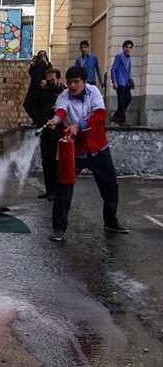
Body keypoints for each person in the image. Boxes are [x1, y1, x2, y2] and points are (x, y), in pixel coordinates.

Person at [45, 66, 129, 242]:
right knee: (64, 188)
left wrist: (78, 125)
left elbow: (100, 114)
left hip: (98, 148)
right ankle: (59, 228)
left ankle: (110, 221)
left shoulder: (94, 92)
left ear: (84, 81)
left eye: (76, 82)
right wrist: (55, 120)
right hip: (74, 149)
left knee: (110, 186)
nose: (72, 86)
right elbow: (61, 111)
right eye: (69, 82)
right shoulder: (63, 96)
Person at [37, 68, 65, 200]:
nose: (50, 83)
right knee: (46, 161)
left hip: (58, 132)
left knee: (56, 163)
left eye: (52, 80)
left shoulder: (64, 92)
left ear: (58, 79)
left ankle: (56, 192)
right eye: (48, 80)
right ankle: (49, 191)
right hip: (46, 131)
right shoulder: (43, 92)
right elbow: (37, 109)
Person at [23, 50, 51, 124]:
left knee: (39, 107)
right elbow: (30, 73)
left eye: (43, 55)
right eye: (40, 55)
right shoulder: (36, 64)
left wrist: (47, 63)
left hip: (41, 90)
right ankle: (36, 119)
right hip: (33, 89)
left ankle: (38, 121)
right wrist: (32, 64)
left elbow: (50, 74)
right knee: (27, 104)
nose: (41, 57)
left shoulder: (47, 65)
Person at [110, 40, 134, 124]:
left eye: (130, 47)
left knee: (128, 99)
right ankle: (122, 120)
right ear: (123, 48)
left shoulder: (129, 58)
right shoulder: (119, 56)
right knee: (121, 101)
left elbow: (129, 71)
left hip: (126, 83)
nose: (128, 49)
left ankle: (116, 115)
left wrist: (130, 81)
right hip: (119, 82)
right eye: (126, 47)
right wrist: (114, 82)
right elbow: (113, 70)